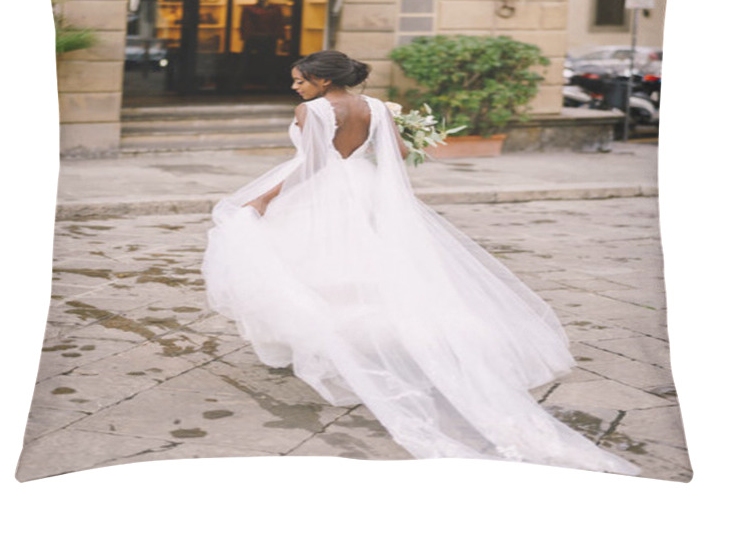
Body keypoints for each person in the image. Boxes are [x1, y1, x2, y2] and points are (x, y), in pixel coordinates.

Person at [201, 50, 639, 475]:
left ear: (324, 81)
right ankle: (376, 342)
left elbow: (313, 164)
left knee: (313, 267)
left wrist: (264, 196)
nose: (294, 86)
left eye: (300, 80)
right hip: (367, 187)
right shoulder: (375, 106)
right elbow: (402, 154)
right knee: (375, 266)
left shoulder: (311, 112)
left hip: (321, 195)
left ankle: (332, 348)